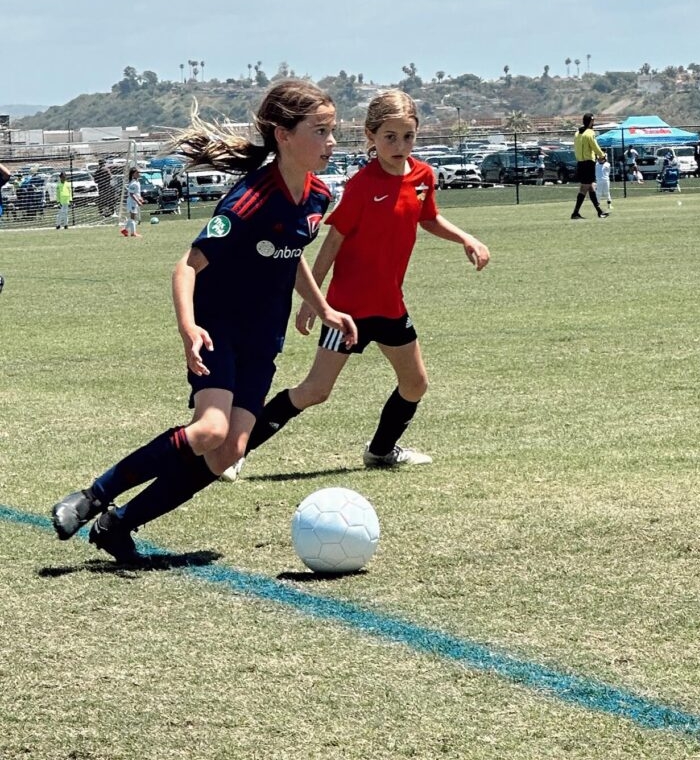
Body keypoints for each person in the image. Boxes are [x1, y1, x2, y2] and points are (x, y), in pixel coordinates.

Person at [51, 80, 358, 562]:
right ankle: (93, 496)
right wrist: (189, 328)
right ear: (283, 134)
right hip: (219, 327)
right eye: (320, 131)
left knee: (227, 453)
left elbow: (289, 255)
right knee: (210, 430)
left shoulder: (319, 195)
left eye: (332, 130)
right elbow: (186, 266)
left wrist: (322, 308)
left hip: (264, 340)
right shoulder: (249, 199)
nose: (331, 142)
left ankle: (120, 525)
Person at [227, 89, 490, 478]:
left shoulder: (422, 176)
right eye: (389, 137)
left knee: (415, 384)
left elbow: (428, 218)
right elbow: (333, 241)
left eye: (408, 136)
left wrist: (466, 238)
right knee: (315, 391)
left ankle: (381, 451)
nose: (400, 146)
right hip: (346, 311)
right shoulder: (363, 185)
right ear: (370, 137)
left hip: (390, 306)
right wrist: (313, 303)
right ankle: (235, 452)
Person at [571, 113, 608, 219]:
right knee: (584, 188)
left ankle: (599, 211)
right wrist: (602, 155)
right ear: (591, 121)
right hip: (588, 163)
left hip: (580, 162)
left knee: (591, 187)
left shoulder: (577, 133)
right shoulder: (590, 133)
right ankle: (575, 213)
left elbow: (576, 148)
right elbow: (594, 146)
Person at [122, 167, 144, 237]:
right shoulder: (133, 183)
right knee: (133, 217)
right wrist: (138, 201)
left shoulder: (137, 182)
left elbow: (137, 193)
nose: (139, 174)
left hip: (134, 201)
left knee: (132, 217)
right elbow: (132, 194)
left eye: (139, 172)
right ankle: (133, 233)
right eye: (137, 173)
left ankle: (124, 230)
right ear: (133, 174)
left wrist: (140, 198)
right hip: (132, 202)